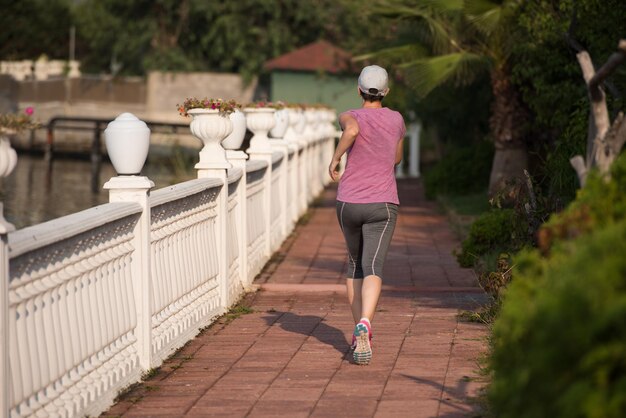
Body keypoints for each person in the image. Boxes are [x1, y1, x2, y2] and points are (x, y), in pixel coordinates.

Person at [328, 65, 405, 365]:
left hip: (348, 202)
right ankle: (366, 324)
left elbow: (352, 130)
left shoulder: (349, 115)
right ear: (385, 92)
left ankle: (357, 330)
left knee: (354, 265)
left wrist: (336, 159)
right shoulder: (397, 119)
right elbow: (397, 158)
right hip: (383, 204)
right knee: (373, 265)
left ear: (358, 90)